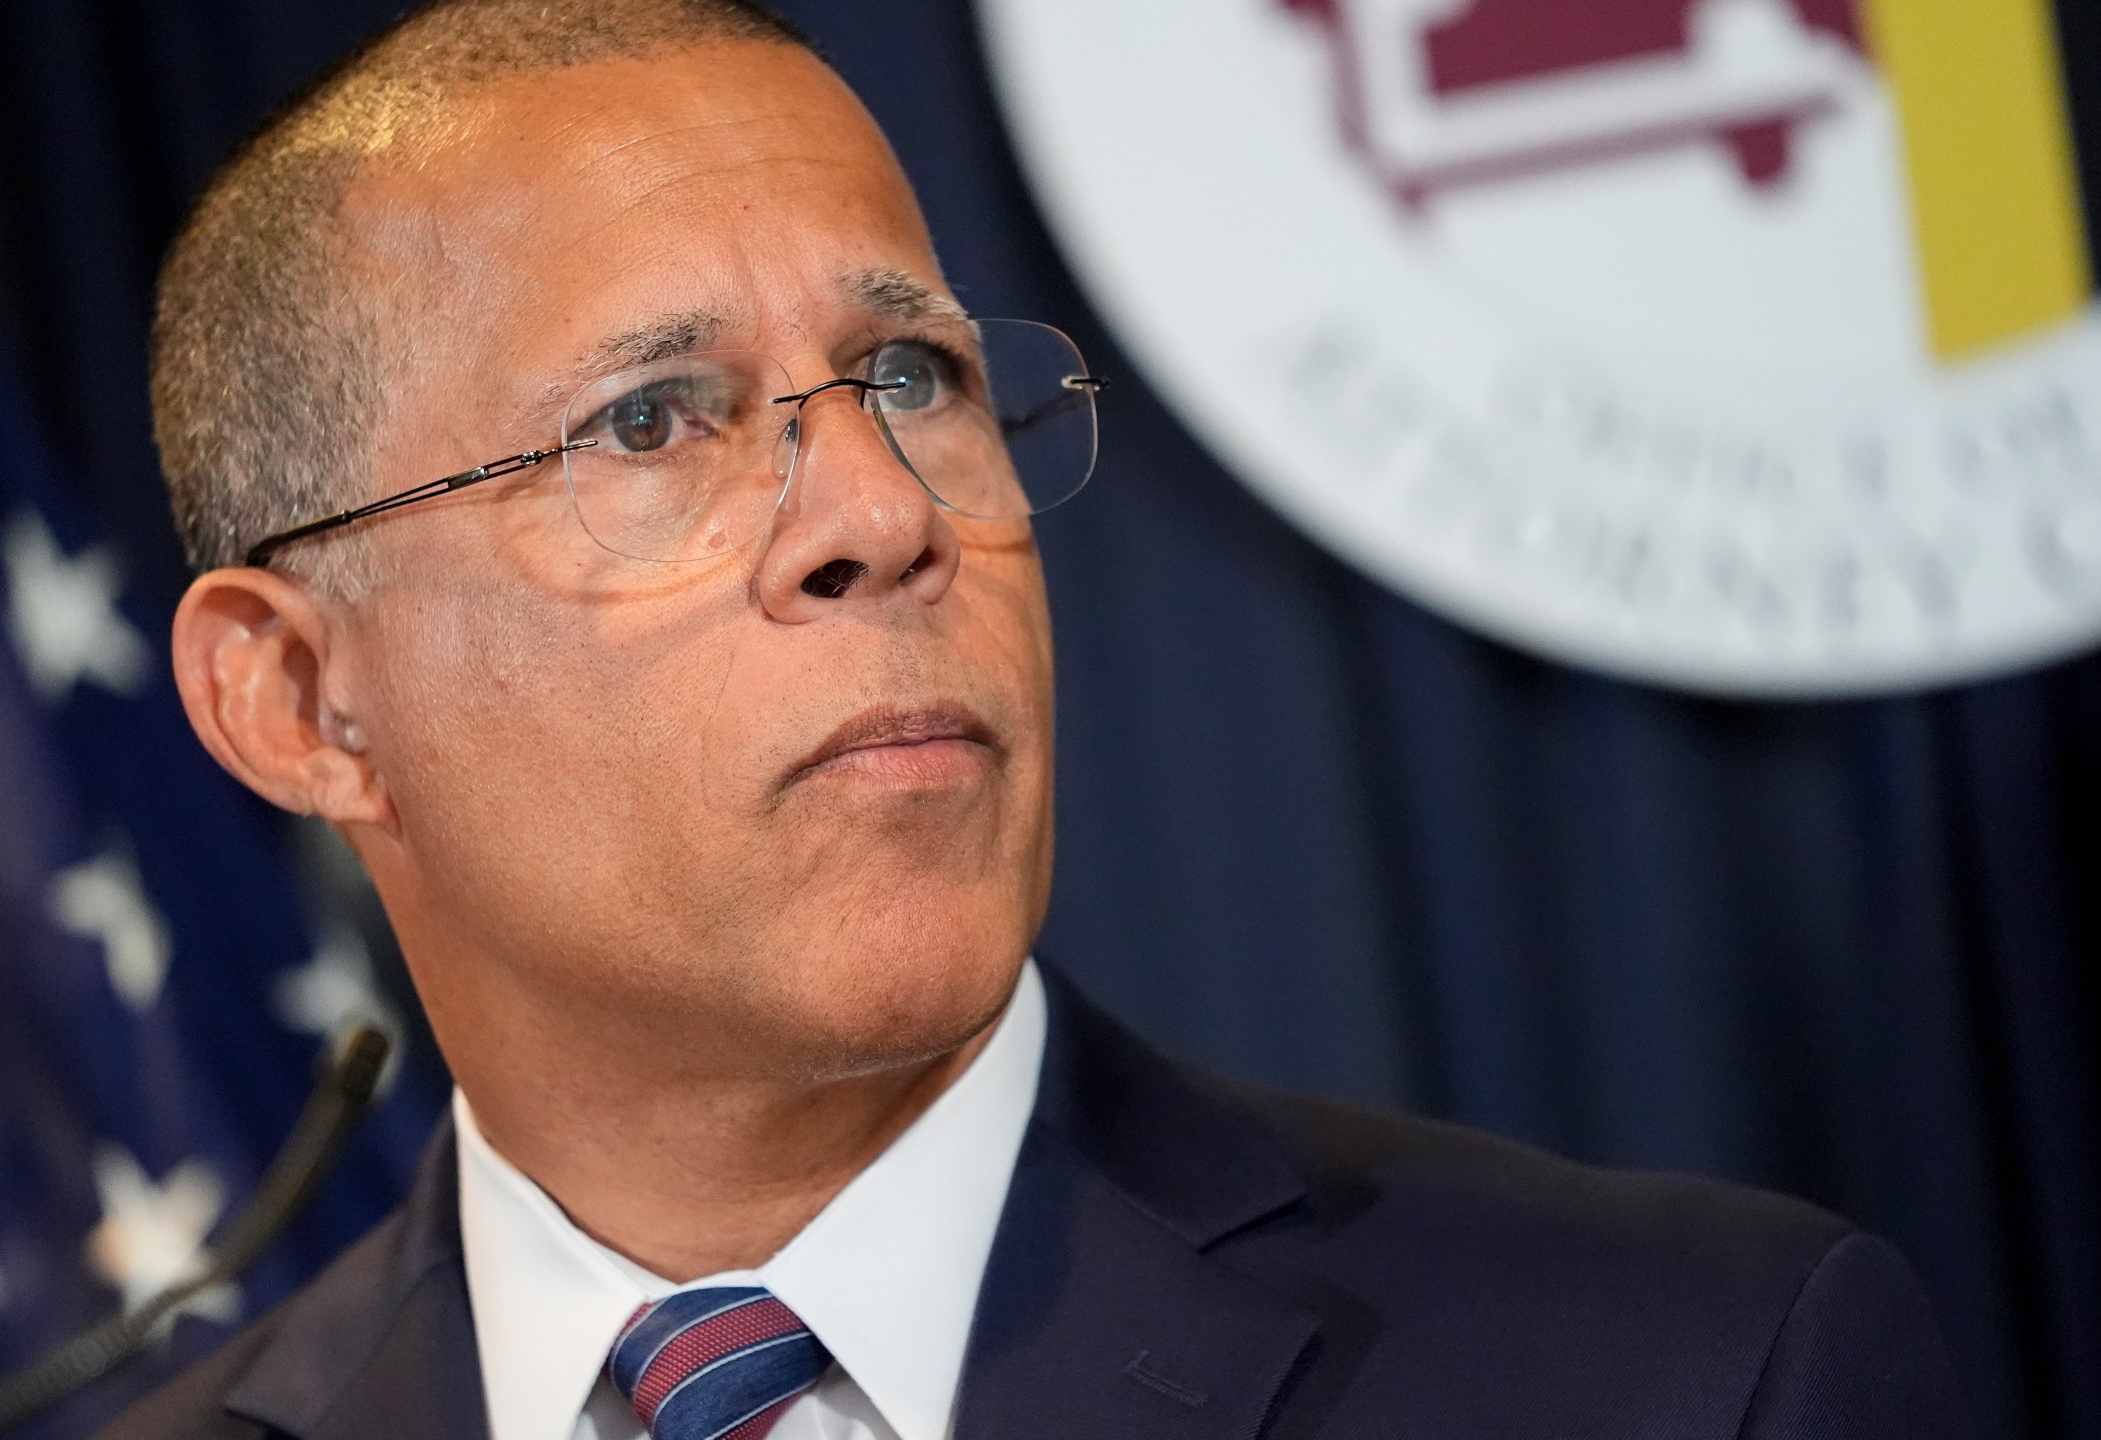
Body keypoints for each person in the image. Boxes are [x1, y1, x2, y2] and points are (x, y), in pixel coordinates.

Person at [114, 2, 1969, 1436]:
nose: (882, 513)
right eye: (656, 421)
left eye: (912, 375)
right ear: (299, 701)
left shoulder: (1689, 1380)